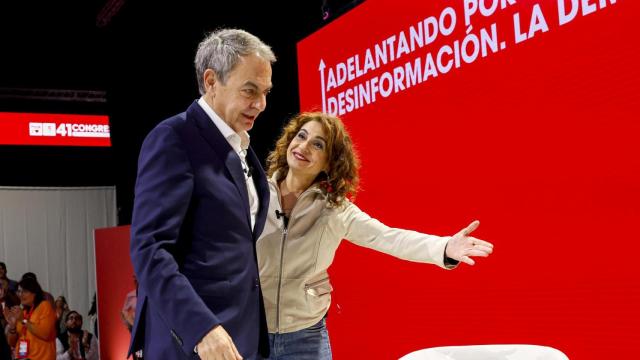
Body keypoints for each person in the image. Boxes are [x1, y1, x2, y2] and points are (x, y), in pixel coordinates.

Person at [257, 112, 495, 359]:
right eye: (301, 136)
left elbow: (389, 238)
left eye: (318, 144)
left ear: (329, 162)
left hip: (305, 337)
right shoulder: (254, 194)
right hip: (251, 332)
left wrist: (444, 247)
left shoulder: (334, 210)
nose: (304, 146)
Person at [129, 28, 275, 360]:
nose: (261, 104)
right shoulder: (173, 138)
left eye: (266, 92)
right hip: (192, 343)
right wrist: (201, 329)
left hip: (241, 339)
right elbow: (149, 249)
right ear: (211, 81)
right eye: (249, 90)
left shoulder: (242, 149)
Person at [4, 276, 57, 360]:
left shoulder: (44, 306)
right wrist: (12, 326)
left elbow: (45, 334)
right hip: (23, 357)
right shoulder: (23, 312)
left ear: (35, 293)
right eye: (19, 291)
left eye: (25, 291)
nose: (20, 295)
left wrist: (23, 320)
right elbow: (12, 343)